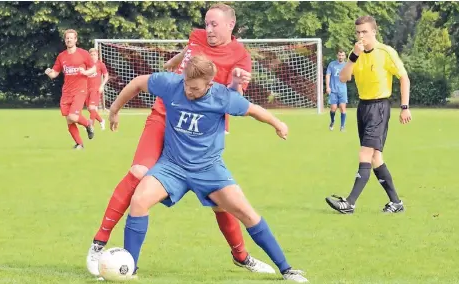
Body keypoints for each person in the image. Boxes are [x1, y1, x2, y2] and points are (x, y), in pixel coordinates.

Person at [87, 3, 273, 276]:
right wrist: (173, 63)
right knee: (138, 173)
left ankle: (241, 256)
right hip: (164, 115)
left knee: (221, 201)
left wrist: (234, 82)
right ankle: (98, 244)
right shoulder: (197, 37)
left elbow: (235, 95)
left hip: (200, 130)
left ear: (230, 25)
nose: (207, 29)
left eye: (214, 25)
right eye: (206, 23)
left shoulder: (240, 57)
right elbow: (188, 54)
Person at [112, 55, 308, 283]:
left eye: (194, 88)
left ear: (209, 84)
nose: (188, 91)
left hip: (209, 169)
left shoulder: (222, 97)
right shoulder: (171, 84)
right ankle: (129, 269)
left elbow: (254, 110)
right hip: (172, 166)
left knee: (247, 213)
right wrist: (115, 109)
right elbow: (137, 82)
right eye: (186, 84)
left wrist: (278, 124)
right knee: (139, 201)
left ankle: (287, 269)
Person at [325, 16, 412, 214]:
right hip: (363, 107)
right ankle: (396, 202)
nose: (361, 36)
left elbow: (404, 77)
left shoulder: (386, 52)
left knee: (365, 153)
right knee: (375, 158)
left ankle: (350, 203)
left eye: (364, 32)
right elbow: (344, 77)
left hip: (379, 107)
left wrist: (405, 106)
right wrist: (354, 56)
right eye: (358, 32)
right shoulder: (355, 53)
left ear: (374, 31)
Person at [45, 29, 95, 149]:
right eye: (67, 38)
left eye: (71, 38)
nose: (69, 40)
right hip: (67, 92)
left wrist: (85, 72)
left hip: (80, 90)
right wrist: (48, 72)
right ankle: (79, 144)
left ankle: (88, 124)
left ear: (76, 40)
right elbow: (55, 74)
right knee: (69, 120)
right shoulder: (61, 56)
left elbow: (93, 69)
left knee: (73, 116)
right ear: (65, 40)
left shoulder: (83, 54)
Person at [86, 48, 108, 130]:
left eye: (94, 55)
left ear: (97, 55)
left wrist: (102, 85)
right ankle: (101, 120)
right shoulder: (87, 64)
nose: (93, 56)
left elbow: (106, 75)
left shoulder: (100, 64)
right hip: (87, 89)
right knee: (89, 109)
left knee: (92, 107)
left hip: (96, 89)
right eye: (91, 55)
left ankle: (90, 126)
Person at [326, 49, 348, 131]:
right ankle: (332, 121)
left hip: (342, 90)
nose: (341, 57)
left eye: (342, 55)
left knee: (342, 108)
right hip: (333, 90)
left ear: (345, 56)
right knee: (333, 108)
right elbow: (328, 75)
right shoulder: (332, 64)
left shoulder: (346, 65)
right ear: (337, 56)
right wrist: (328, 87)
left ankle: (342, 126)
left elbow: (349, 77)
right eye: (339, 55)